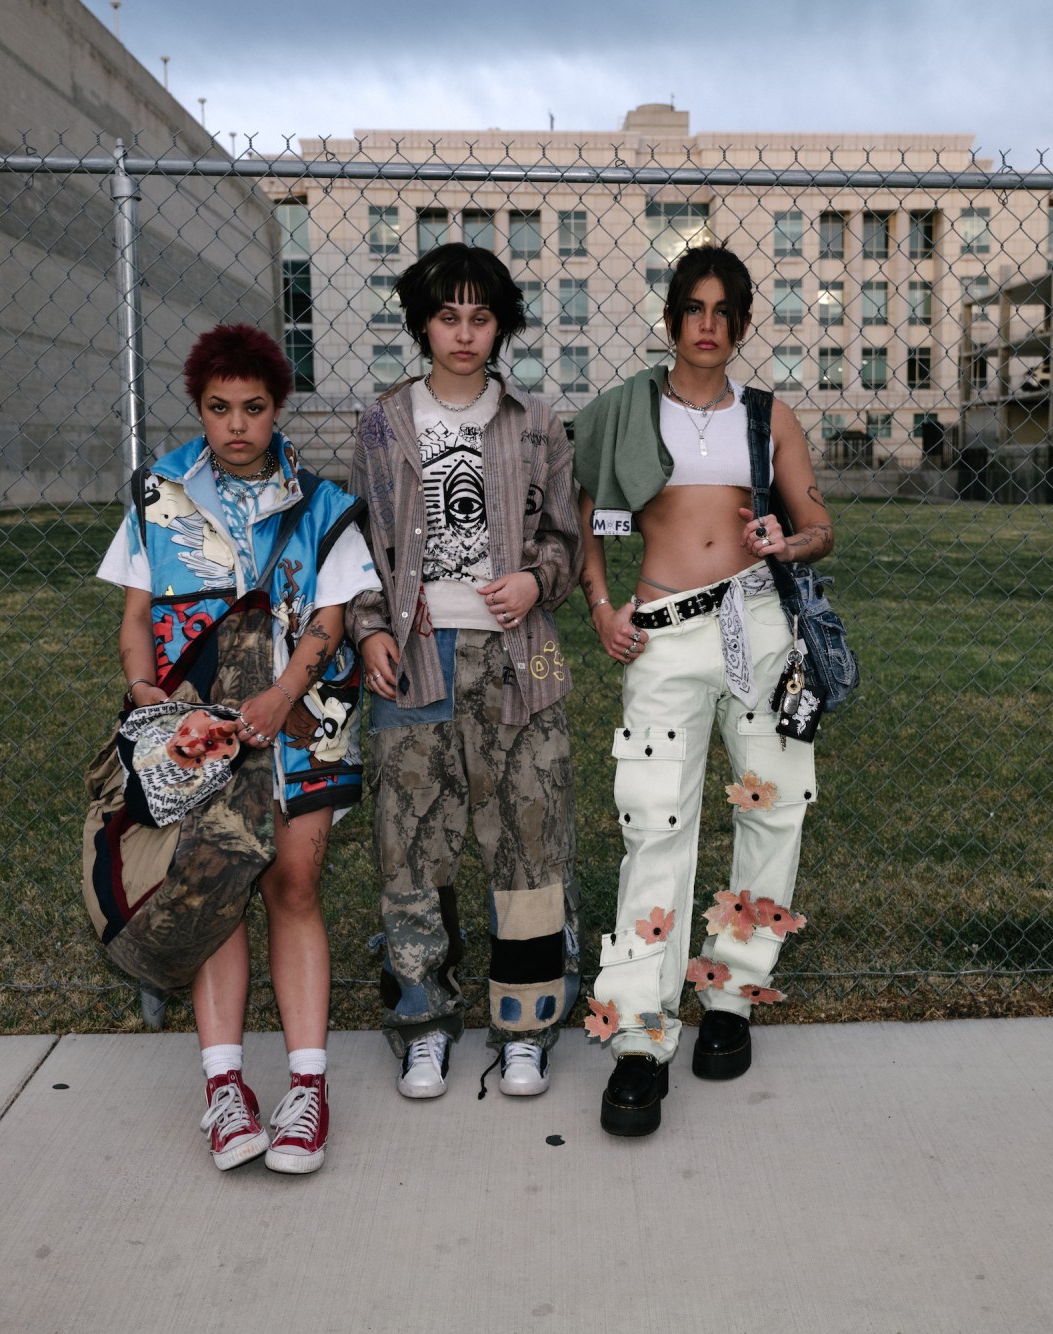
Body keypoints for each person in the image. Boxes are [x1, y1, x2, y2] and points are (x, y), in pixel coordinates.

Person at [97, 324, 378, 1174]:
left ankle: (306, 1087)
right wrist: (149, 696)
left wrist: (282, 691)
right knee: (215, 882)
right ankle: (225, 1088)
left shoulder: (324, 506)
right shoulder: (158, 494)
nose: (236, 426)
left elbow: (331, 619)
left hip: (302, 718)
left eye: (254, 408)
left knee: (293, 885)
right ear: (199, 409)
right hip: (194, 727)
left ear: (277, 408)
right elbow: (137, 616)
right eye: (219, 408)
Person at [571, 244, 834, 1137]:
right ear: (673, 318)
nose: (709, 323)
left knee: (771, 807)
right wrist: (603, 605)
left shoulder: (768, 416)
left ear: (743, 324)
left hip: (758, 628)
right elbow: (590, 523)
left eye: (725, 309)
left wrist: (791, 541)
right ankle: (640, 1039)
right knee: (656, 823)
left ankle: (732, 992)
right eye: (694, 307)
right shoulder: (625, 412)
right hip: (663, 633)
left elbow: (818, 523)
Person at [347, 242, 582, 1100]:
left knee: (528, 842)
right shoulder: (381, 421)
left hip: (525, 656)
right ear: (420, 322)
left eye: (480, 316)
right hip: (414, 656)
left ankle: (523, 1027)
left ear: (500, 326)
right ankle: (423, 1023)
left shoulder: (537, 420)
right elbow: (362, 542)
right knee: (413, 848)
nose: (464, 332)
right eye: (447, 315)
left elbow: (566, 536)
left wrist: (535, 578)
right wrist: (371, 628)